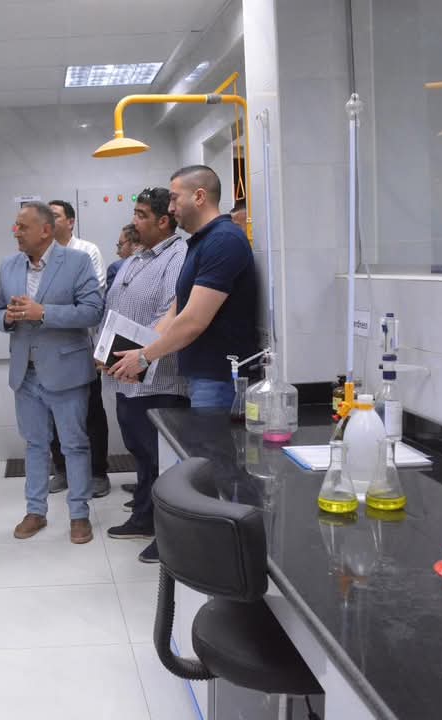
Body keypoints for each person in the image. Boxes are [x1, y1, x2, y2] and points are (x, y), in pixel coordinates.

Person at [0, 202, 104, 544]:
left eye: (22, 227)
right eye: (15, 225)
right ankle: (35, 511)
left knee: (74, 445)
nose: (16, 232)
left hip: (66, 371)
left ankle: (79, 515)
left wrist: (43, 313)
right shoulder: (9, 265)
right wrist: (7, 318)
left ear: (45, 230)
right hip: (25, 373)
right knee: (35, 444)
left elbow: (93, 311)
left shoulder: (77, 261)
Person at [109, 165, 259, 410]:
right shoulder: (200, 243)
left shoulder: (224, 240)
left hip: (220, 377)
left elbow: (193, 321)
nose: (170, 208)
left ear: (199, 197)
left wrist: (145, 357)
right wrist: (136, 356)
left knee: (212, 437)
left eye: (174, 199)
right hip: (201, 377)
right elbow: (175, 312)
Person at [101, 188, 189, 564]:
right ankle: (143, 517)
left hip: (157, 378)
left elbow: (170, 314)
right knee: (139, 452)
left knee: (160, 461)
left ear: (164, 221)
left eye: (141, 215)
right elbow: (117, 307)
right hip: (125, 374)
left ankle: (167, 534)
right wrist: (105, 353)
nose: (134, 221)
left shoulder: (177, 256)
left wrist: (139, 356)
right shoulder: (138, 256)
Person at [47, 199, 111, 498]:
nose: (50, 220)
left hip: (83, 345)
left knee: (91, 411)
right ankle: (61, 469)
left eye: (55, 216)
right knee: (51, 411)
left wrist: (49, 307)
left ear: (71, 221)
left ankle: (98, 473)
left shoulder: (87, 251)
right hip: (49, 348)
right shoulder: (40, 254)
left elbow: (90, 299)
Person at [105, 223, 139, 291]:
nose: (117, 252)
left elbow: (111, 297)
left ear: (135, 245)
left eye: (120, 245)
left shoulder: (116, 268)